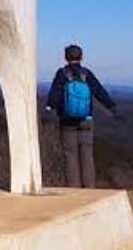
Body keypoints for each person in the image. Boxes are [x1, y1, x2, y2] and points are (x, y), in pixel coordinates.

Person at [44, 44, 124, 188]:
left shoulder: (62, 74)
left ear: (65, 58)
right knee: (87, 155)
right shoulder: (86, 74)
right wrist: (112, 108)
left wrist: (49, 107)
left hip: (67, 121)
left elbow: (54, 94)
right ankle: (89, 189)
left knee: (70, 156)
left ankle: (74, 190)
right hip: (86, 120)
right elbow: (100, 92)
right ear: (81, 57)